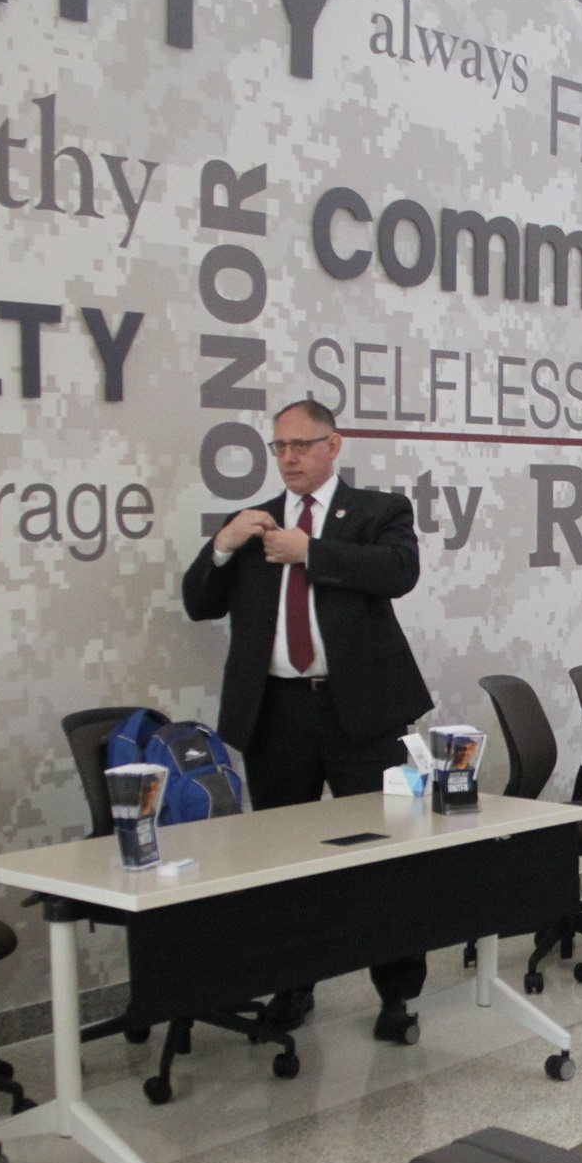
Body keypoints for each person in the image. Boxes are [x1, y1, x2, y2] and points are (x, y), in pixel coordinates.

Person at [182, 398, 435, 1042]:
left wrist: (311, 552)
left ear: (334, 446)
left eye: (302, 444)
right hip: (277, 714)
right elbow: (198, 603)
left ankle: (397, 996)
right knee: (284, 862)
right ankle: (293, 986)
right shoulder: (254, 525)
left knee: (385, 859)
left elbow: (400, 572)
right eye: (279, 447)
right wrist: (222, 543)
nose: (289, 457)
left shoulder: (377, 511)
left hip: (364, 715)